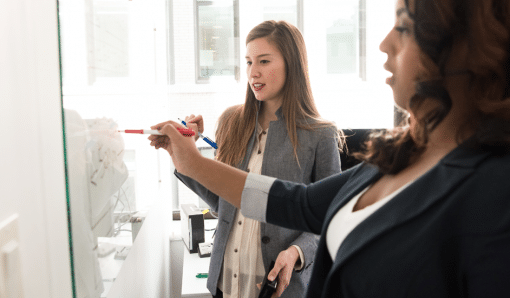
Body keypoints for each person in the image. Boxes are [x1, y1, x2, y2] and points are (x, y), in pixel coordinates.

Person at [150, 0, 510, 296]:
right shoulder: (396, 157)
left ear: (466, 48)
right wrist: (190, 161)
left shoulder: (494, 191)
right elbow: (297, 203)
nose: (384, 44)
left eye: (403, 26)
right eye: (249, 62)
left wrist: (295, 253)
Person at [153, 20, 342, 298]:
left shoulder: (320, 135)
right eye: (249, 62)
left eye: (264, 61)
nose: (253, 72)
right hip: (225, 281)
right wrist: (183, 155)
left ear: (292, 64)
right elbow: (223, 202)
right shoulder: (232, 121)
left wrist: (295, 253)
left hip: (279, 287)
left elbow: (329, 218)